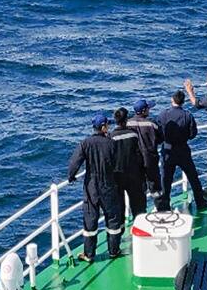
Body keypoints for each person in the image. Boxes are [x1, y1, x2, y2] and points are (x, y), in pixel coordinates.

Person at [67, 114, 124, 262]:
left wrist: (71, 176)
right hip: (108, 185)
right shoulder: (111, 143)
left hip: (91, 187)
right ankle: (114, 250)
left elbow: (74, 163)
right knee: (112, 219)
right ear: (104, 127)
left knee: (90, 219)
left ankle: (89, 254)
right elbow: (119, 165)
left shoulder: (85, 143)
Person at [155, 90, 207, 211]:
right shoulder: (187, 115)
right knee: (193, 176)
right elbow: (193, 133)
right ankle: (200, 201)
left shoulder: (163, 115)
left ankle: (165, 206)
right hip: (183, 149)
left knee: (166, 179)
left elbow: (158, 132)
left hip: (167, 150)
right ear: (183, 102)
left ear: (172, 100)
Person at [110, 107, 152, 218]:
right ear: (126, 120)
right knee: (139, 206)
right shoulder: (133, 135)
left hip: (118, 176)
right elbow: (139, 154)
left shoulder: (111, 137)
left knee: (118, 207)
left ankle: (118, 231)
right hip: (134, 174)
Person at [127, 99, 162, 197]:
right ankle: (160, 207)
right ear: (144, 111)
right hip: (150, 158)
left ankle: (141, 209)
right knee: (155, 186)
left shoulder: (127, 124)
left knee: (139, 187)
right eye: (148, 109)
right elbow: (160, 138)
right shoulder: (152, 124)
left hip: (135, 160)